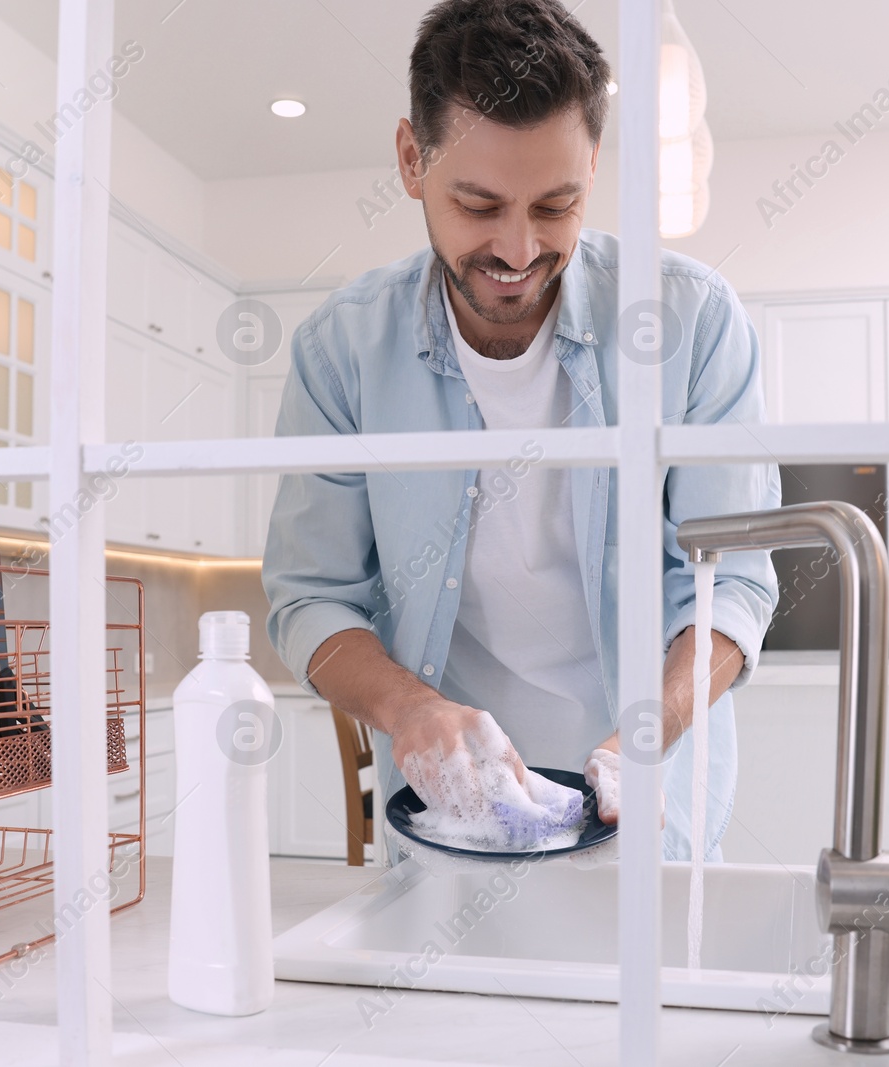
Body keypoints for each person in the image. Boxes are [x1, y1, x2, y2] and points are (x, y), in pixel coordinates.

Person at [261, 0, 778, 861]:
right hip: (449, 825)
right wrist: (408, 709)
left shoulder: (691, 322)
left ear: (594, 166)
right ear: (409, 160)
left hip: (652, 816)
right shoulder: (341, 350)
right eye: (478, 203)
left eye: (555, 205)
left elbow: (733, 588)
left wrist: (642, 740)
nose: (517, 248)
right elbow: (310, 595)